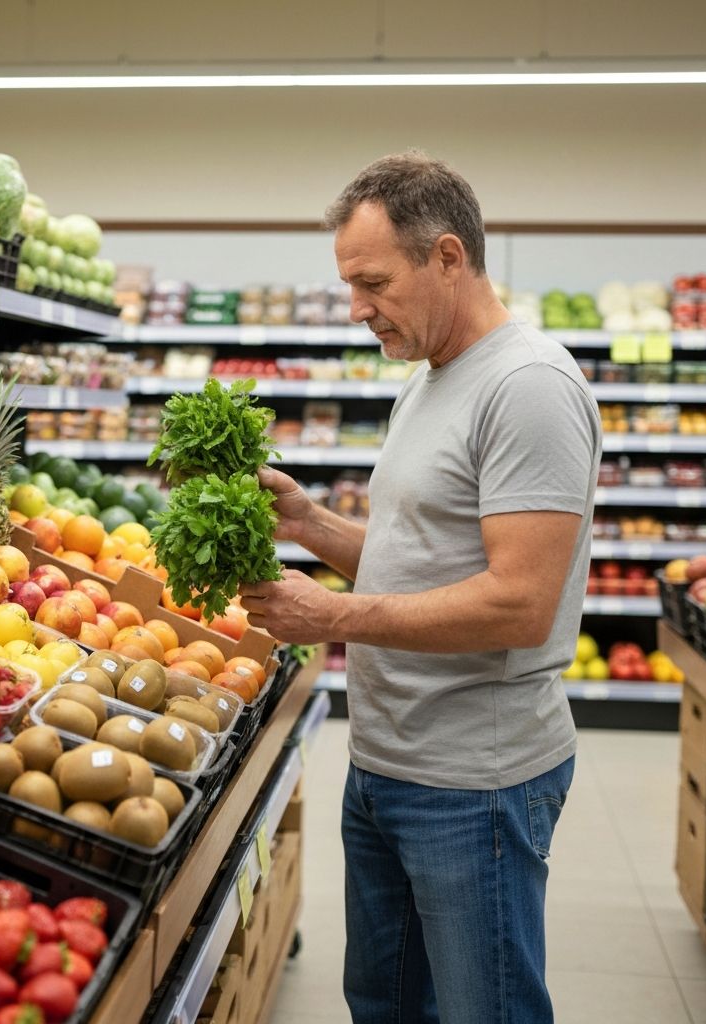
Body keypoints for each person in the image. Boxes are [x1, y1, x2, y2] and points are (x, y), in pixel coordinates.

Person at [239, 151, 602, 1024]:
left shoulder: (528, 387)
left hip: (475, 783)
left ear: (447, 256)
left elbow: (519, 604)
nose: (357, 308)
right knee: (387, 1003)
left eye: (372, 282)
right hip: (387, 766)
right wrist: (311, 525)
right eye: (348, 285)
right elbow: (419, 560)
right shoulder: (431, 380)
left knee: (488, 1010)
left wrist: (328, 616)